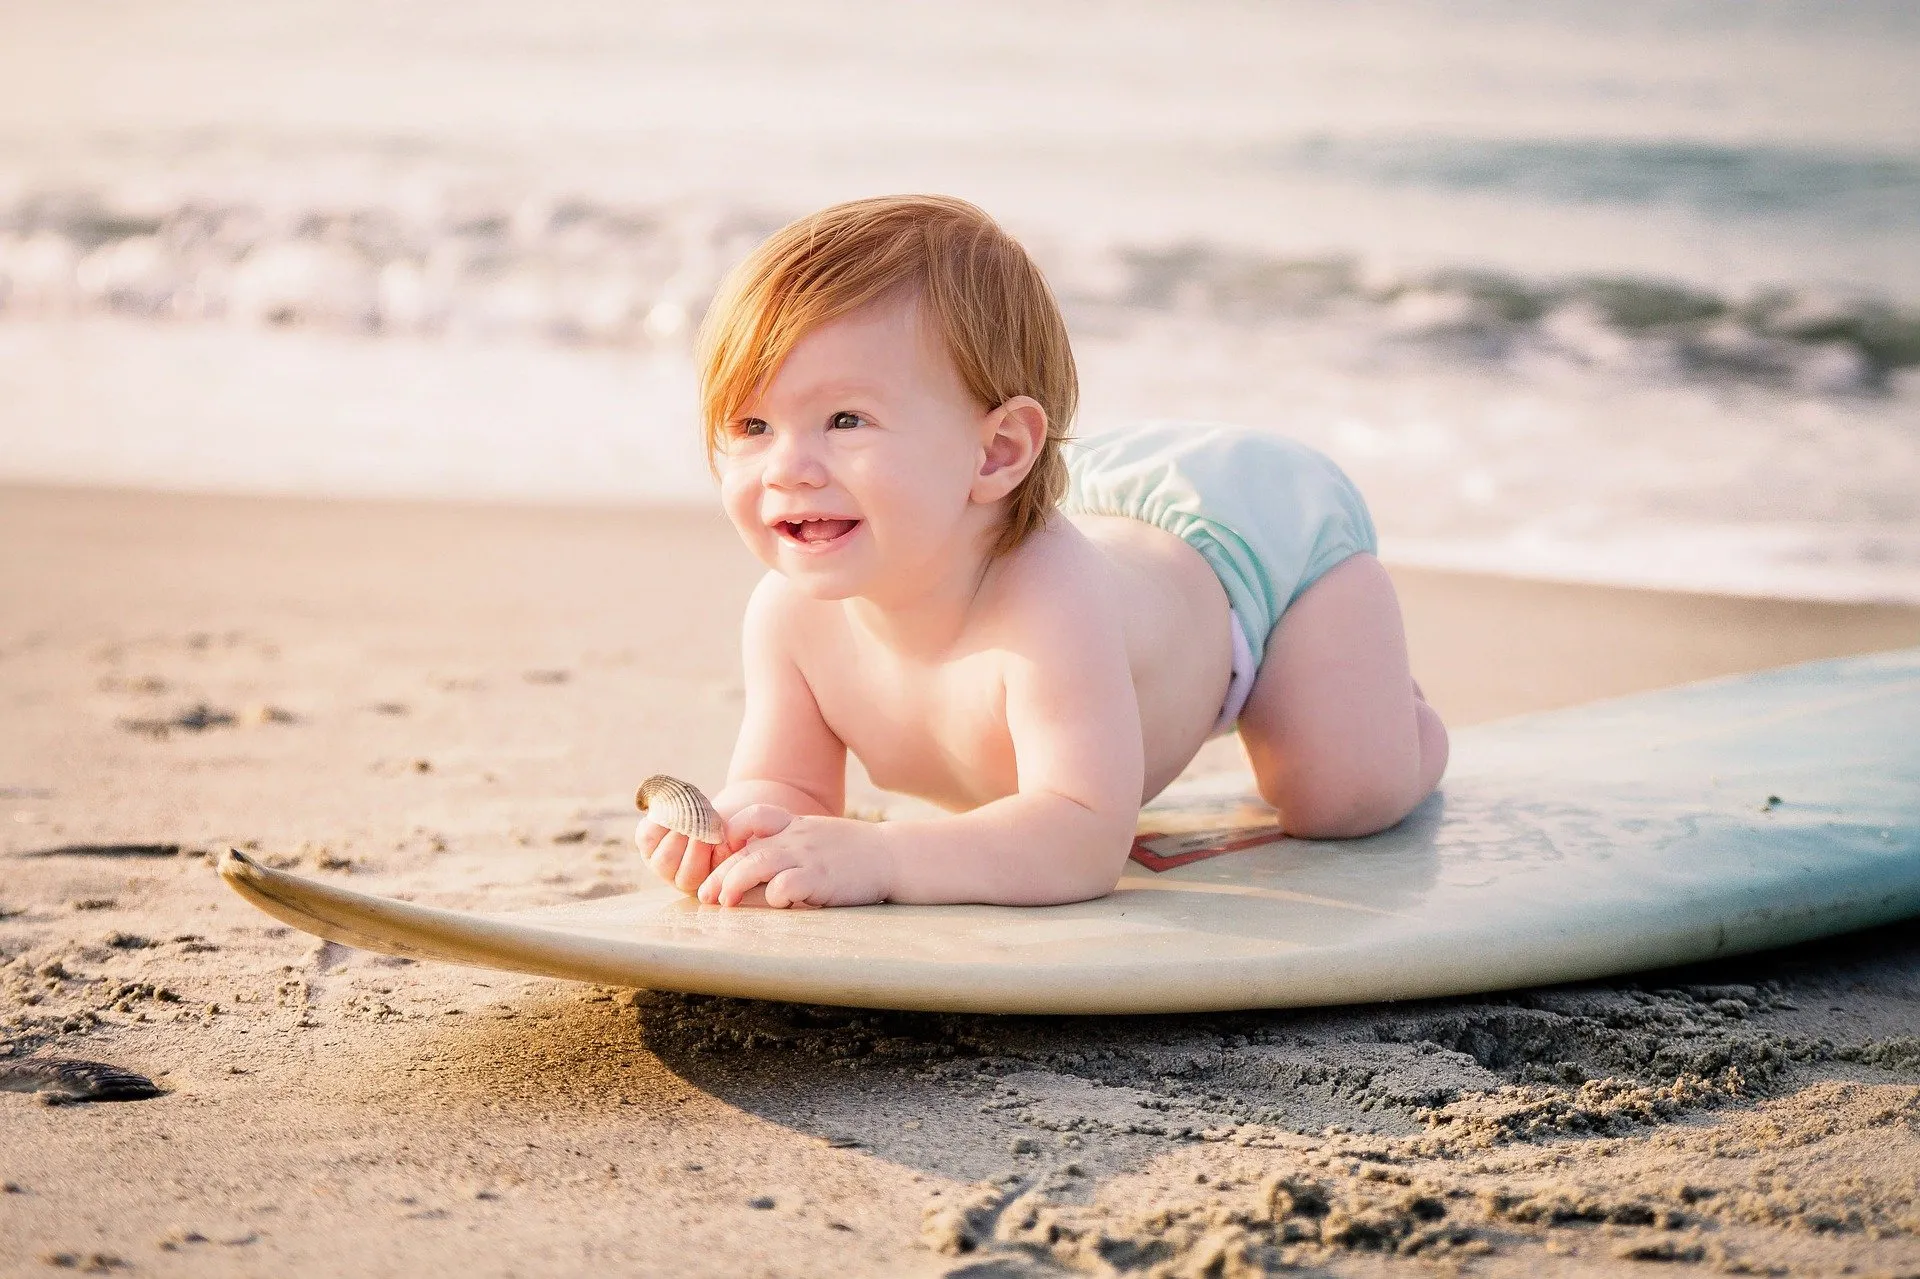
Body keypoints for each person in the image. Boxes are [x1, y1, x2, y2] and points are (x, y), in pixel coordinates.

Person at [636, 195, 1447, 909]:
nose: (788, 468)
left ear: (994, 454)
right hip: (1115, 513)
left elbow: (1083, 837)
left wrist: (884, 855)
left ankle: (1394, 705)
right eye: (752, 427)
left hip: (1258, 551)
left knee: (1336, 800)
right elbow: (791, 788)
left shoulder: (1047, 596)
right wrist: (737, 829)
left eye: (845, 420)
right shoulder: (789, 616)